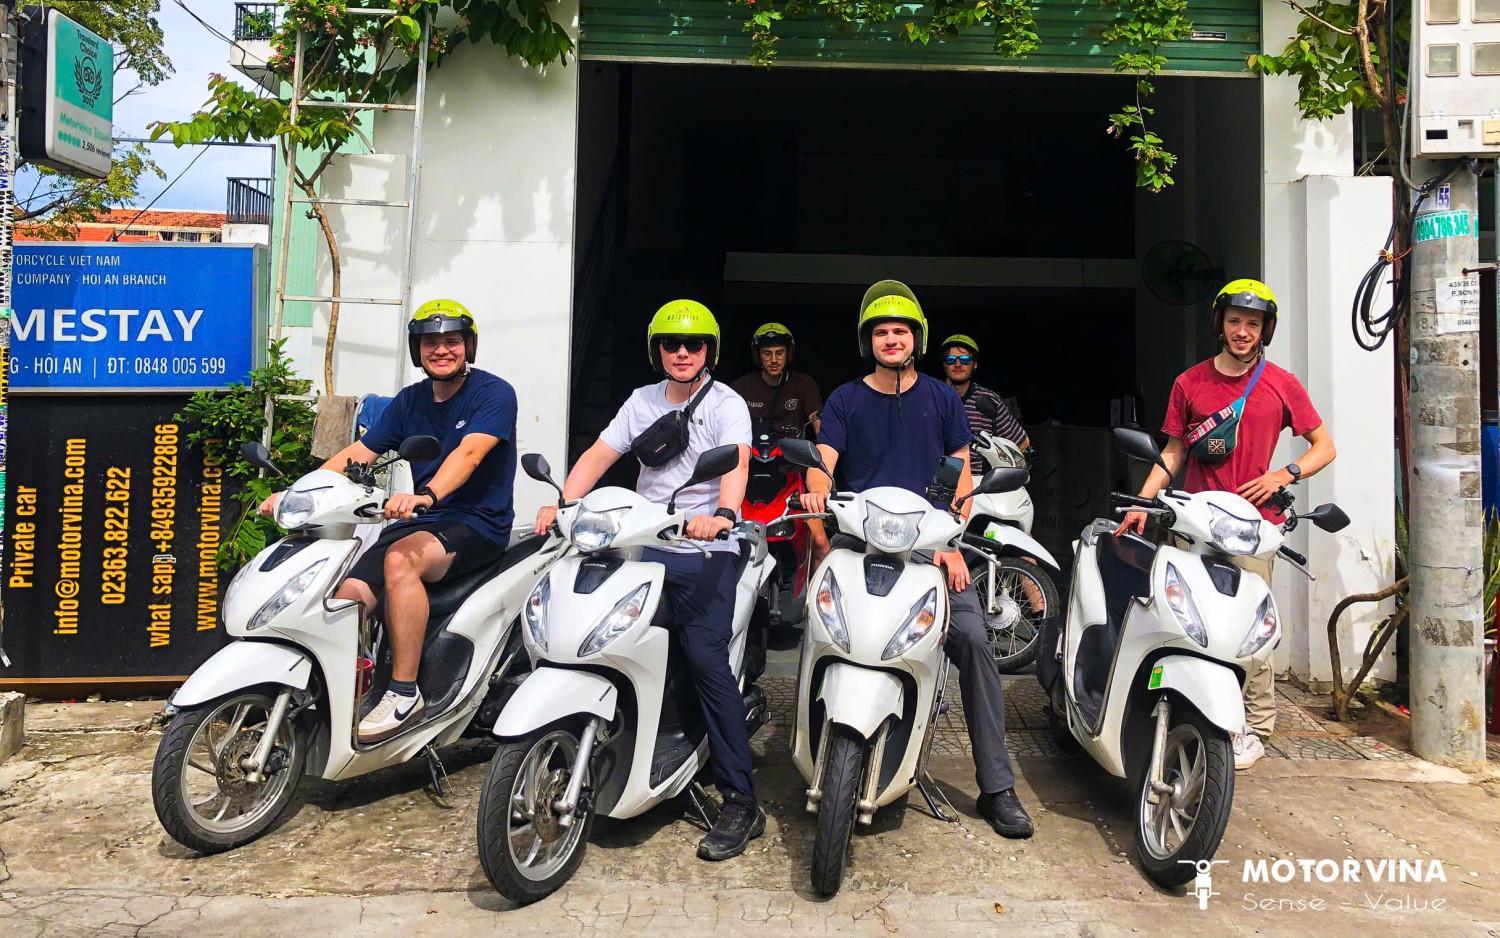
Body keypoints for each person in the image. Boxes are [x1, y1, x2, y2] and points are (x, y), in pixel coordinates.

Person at [799, 280, 1035, 839]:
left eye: (900, 331)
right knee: (819, 627)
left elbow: (961, 474)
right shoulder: (844, 399)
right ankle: (812, 757)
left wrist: (950, 542)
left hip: (929, 548)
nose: (890, 339)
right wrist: (815, 492)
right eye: (880, 331)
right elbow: (822, 462)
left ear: (916, 339)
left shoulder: (942, 399)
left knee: (975, 640)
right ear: (868, 341)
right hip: (860, 544)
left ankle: (997, 787)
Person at [532, 299, 764, 862]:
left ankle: (740, 799)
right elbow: (599, 453)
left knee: (704, 655)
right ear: (657, 350)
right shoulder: (642, 401)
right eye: (670, 344)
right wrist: (563, 500)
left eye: (694, 345)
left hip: (704, 544)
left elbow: (735, 462)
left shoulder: (729, 405)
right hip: (641, 537)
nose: (682, 353)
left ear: (709, 351)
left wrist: (724, 515)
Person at [259, 299, 519, 743]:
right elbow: (355, 455)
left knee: (400, 561)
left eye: (452, 341)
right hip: (422, 520)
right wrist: (297, 493)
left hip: (476, 523)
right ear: (417, 350)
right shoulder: (409, 402)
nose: (442, 350)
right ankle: (340, 685)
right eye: (431, 342)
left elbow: (469, 454)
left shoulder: (493, 394)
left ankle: (403, 693)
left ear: (468, 347)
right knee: (345, 590)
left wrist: (426, 494)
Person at [1117, 279, 1336, 770]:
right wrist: (1142, 502)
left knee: (1249, 630)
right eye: (1235, 321)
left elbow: (1324, 446)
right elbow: (1172, 451)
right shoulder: (1190, 382)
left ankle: (1253, 726)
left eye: (1252, 324)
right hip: (1192, 522)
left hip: (1250, 528)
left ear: (1265, 331)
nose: (1243, 332)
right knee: (1179, 619)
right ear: (1220, 324)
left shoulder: (1281, 383)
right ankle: (1178, 707)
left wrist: (1284, 473)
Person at [732, 322, 830, 561]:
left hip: (792, 476)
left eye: (780, 353)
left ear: (789, 354)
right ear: (758, 356)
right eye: (767, 353)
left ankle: (815, 595)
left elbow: (819, 426)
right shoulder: (741, 387)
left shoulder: (804, 385)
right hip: (749, 477)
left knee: (820, 543)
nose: (774, 359)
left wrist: (825, 450)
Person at [939, 334, 1029, 473]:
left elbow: (1021, 442)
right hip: (938, 478)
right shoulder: (931, 396)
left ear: (974, 364)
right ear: (944, 364)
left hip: (979, 483)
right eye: (951, 359)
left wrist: (1003, 475)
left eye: (964, 359)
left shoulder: (989, 399)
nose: (958, 364)